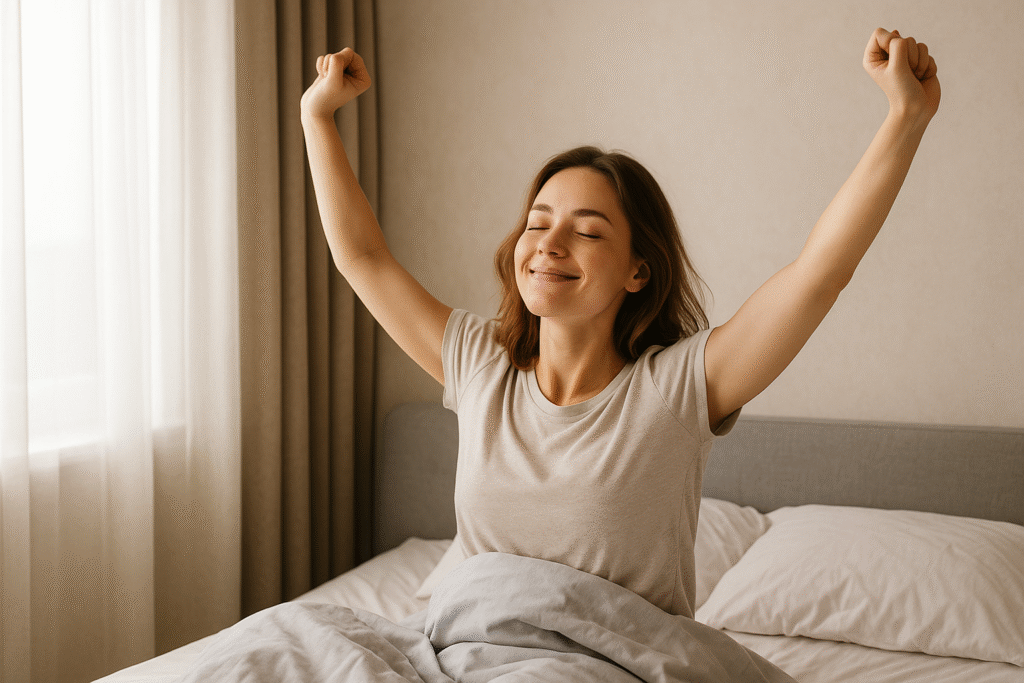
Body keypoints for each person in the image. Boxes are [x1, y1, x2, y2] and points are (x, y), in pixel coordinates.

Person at [300, 28, 939, 619]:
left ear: (638, 271)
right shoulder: (479, 365)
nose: (548, 244)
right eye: (536, 222)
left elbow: (818, 276)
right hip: (471, 649)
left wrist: (906, 118)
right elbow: (363, 258)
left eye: (586, 231)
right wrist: (317, 115)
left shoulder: (675, 391)